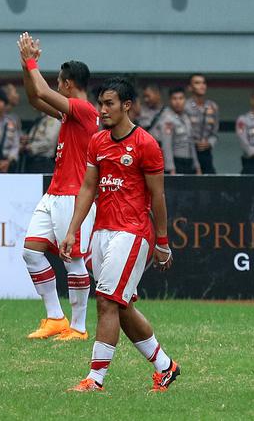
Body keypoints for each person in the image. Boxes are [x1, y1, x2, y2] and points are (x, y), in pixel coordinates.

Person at [60, 77, 180, 393]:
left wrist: (163, 242)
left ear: (126, 105)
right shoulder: (97, 142)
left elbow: (158, 197)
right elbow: (88, 188)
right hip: (102, 232)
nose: (103, 109)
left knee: (107, 302)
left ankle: (94, 380)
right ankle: (166, 367)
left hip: (133, 232)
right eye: (101, 103)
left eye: (109, 103)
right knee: (121, 307)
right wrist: (73, 230)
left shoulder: (146, 144)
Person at [18, 33, 99, 341]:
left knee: (74, 259)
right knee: (31, 252)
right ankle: (55, 317)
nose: (54, 86)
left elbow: (40, 90)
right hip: (55, 193)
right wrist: (26, 66)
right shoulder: (71, 112)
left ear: (67, 84)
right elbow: (34, 97)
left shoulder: (84, 110)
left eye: (58, 82)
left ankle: (78, 327)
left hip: (74, 195)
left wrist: (30, 60)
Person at [156, 87, 200, 175]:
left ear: (185, 100)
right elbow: (167, 146)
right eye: (174, 99)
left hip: (189, 162)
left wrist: (197, 165)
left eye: (181, 98)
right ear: (170, 101)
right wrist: (171, 169)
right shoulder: (167, 119)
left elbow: (191, 143)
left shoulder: (186, 117)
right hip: (177, 162)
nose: (178, 102)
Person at [185, 74, 218, 174]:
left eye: (204, 83)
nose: (202, 86)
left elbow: (215, 132)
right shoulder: (185, 106)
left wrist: (209, 143)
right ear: (190, 88)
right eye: (197, 83)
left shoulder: (212, 106)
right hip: (190, 151)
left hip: (206, 152)